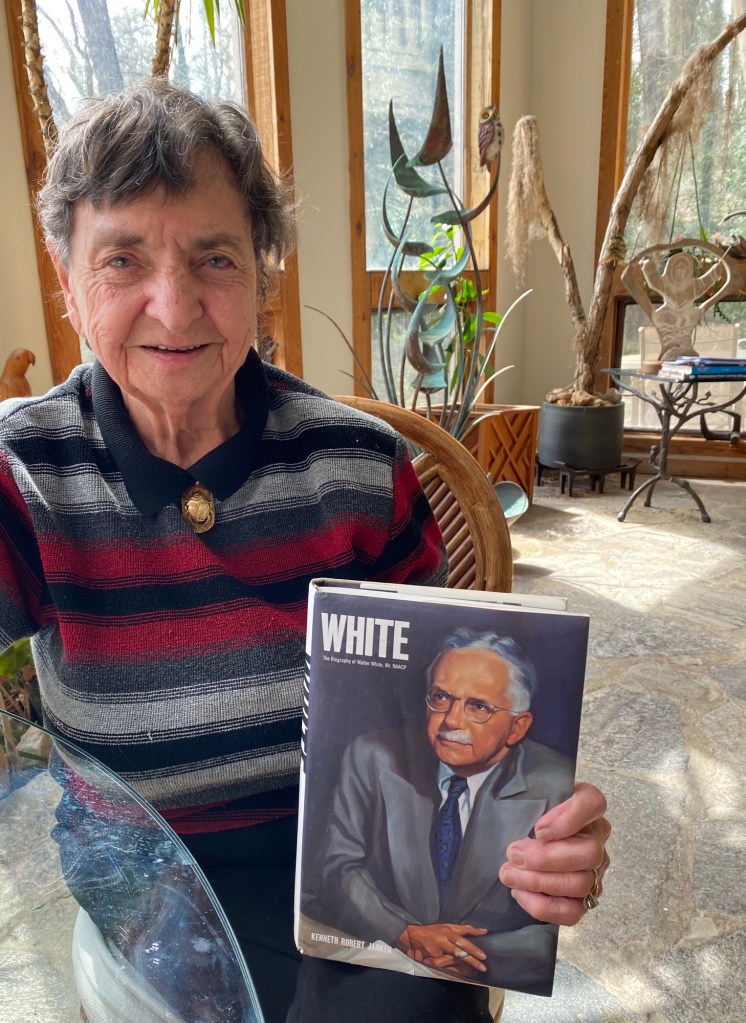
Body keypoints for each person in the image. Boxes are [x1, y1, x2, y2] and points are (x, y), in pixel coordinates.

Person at [0, 79, 610, 1023]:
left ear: (262, 272)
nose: (174, 307)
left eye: (214, 258)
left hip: (355, 858)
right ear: (67, 276)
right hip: (151, 881)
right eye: (123, 259)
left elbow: (436, 746)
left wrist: (537, 843)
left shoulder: (361, 469)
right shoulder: (26, 475)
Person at [304, 630, 575, 996]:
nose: (451, 721)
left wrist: (465, 954)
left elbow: (554, 929)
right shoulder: (372, 756)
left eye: (478, 706)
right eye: (441, 697)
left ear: (517, 727)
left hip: (478, 976)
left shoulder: (557, 785)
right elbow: (336, 866)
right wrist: (405, 933)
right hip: (378, 956)